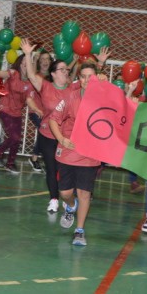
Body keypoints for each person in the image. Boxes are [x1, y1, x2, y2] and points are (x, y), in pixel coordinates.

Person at [21, 38, 81, 213]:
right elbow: (31, 76)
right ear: (54, 73)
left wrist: (99, 66)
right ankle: (54, 199)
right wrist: (27, 53)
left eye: (67, 70)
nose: (66, 72)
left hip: (67, 136)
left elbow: (88, 82)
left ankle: (67, 195)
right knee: (51, 169)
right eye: (62, 69)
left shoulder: (73, 88)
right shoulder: (46, 86)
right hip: (48, 135)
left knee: (66, 170)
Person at [49, 63, 102, 246]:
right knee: (65, 193)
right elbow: (53, 120)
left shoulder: (103, 101)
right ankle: (70, 206)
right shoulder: (70, 98)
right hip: (68, 152)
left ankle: (79, 231)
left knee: (84, 193)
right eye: (83, 76)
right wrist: (61, 139)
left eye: (91, 76)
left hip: (90, 154)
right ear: (79, 78)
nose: (87, 80)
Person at [0, 49, 43, 174]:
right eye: (24, 61)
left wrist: (36, 109)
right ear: (20, 63)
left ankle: (10, 163)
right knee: (14, 136)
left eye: (28, 62)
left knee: (17, 139)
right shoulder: (13, 73)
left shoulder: (30, 82)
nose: (26, 64)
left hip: (17, 112)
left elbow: (29, 99)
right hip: (5, 108)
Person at [28, 49, 53, 172]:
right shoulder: (37, 76)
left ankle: (37, 158)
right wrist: (34, 59)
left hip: (48, 113)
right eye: (42, 59)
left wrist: (74, 63)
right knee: (44, 131)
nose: (45, 61)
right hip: (36, 111)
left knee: (46, 134)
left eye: (47, 59)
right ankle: (34, 158)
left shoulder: (53, 77)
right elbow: (30, 73)